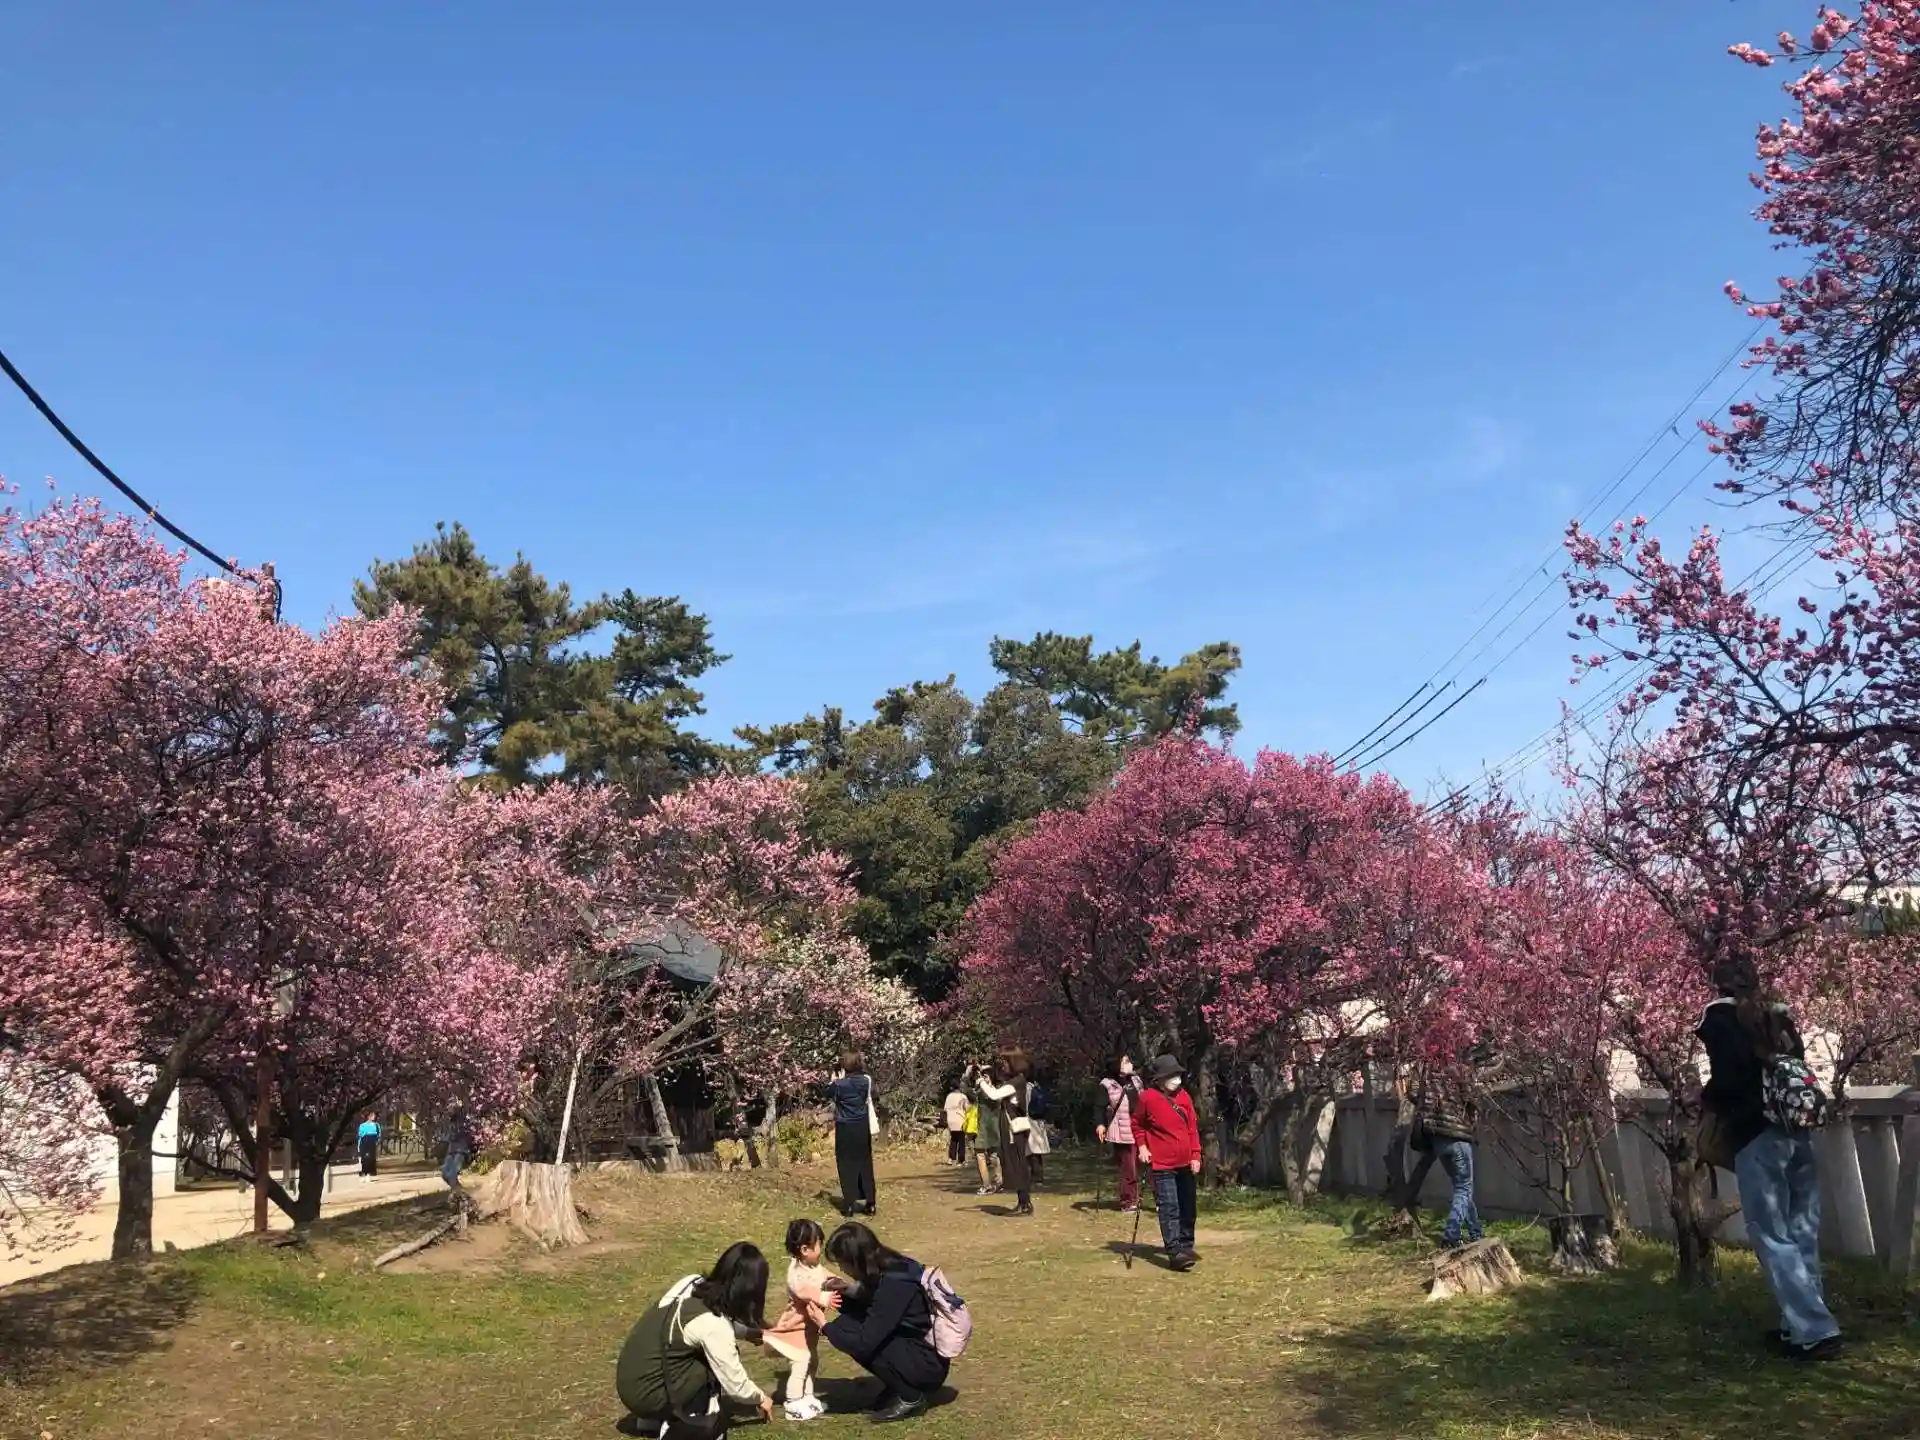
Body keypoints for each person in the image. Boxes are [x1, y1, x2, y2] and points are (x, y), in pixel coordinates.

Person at [1699, 955, 1842, 1361]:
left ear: (1720, 983)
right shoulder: (1776, 1013)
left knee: (1773, 1235)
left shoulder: (1720, 1019)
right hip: (1796, 1131)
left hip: (1756, 1135)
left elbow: (1730, 1080)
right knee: (1801, 1230)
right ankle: (1798, 1326)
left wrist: (1705, 1098)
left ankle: (1815, 1330)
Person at [616, 1241, 777, 1438]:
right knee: (710, 1363)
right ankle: (690, 1419)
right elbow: (736, 1385)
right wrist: (761, 1398)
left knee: (683, 1352)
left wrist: (746, 1333)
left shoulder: (691, 1283)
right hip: (647, 1396)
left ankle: (649, 1421)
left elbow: (700, 1327)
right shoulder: (714, 1326)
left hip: (633, 1376)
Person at [824, 1221, 949, 1423]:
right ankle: (897, 1386)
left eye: (842, 1263)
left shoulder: (895, 1283)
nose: (841, 1268)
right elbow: (872, 1308)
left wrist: (824, 1327)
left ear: (855, 1259)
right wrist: (844, 1292)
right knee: (848, 1325)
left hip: (927, 1364)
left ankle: (911, 1398)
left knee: (849, 1332)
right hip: (915, 1347)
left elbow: (866, 1341)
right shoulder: (891, 1265)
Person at [763, 1219, 840, 1420]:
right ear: (805, 1249)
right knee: (801, 1360)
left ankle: (807, 1396)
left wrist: (836, 1282)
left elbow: (823, 1274)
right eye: (818, 1245)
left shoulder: (813, 1265)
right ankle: (793, 1402)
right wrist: (824, 1297)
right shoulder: (795, 1271)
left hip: (809, 1329)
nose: (820, 1249)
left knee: (812, 1360)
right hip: (794, 1327)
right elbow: (802, 1290)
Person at [1132, 1053, 1200, 1270]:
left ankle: (1186, 1245)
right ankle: (1174, 1252)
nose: (1176, 1080)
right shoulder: (1147, 1098)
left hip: (1185, 1162)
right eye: (1172, 1076)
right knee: (1169, 1207)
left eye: (1178, 1075)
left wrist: (1196, 1155)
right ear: (1160, 1079)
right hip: (1162, 1164)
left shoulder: (1184, 1097)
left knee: (1188, 1207)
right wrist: (1142, 1147)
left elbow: (1192, 1128)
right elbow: (1137, 1124)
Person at [1416, 1052, 1483, 1250]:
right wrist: (1473, 1122)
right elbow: (1472, 1100)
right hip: (1458, 1136)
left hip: (1438, 1139)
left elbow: (1413, 1094)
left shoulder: (1426, 1069)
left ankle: (1476, 1233)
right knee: (1464, 1188)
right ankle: (1451, 1235)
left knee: (1461, 1188)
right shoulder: (1459, 1069)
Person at [973, 1051, 1033, 1216]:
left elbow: (994, 1095)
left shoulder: (1016, 1082)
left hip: (1014, 1130)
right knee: (1017, 1165)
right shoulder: (1017, 1081)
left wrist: (981, 1082)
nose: (1003, 1066)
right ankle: (1023, 1203)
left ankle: (1024, 1204)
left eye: (1006, 1062)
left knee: (1018, 1165)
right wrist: (988, 1083)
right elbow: (999, 1096)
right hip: (1014, 1129)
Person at [828, 1051, 878, 1218]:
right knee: (865, 1164)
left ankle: (849, 1204)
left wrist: (835, 1079)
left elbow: (827, 1093)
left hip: (845, 1127)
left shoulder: (839, 1084)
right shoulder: (866, 1080)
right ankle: (871, 1203)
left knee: (846, 1165)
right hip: (862, 1127)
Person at [1098, 1054, 1143, 1213]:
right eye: (1125, 1062)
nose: (1130, 1064)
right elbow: (1099, 1107)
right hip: (1121, 1131)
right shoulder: (1107, 1084)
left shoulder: (1136, 1080)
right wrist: (1100, 1125)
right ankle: (1128, 1201)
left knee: (1142, 1165)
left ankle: (1140, 1197)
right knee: (1128, 1167)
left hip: (1139, 1128)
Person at [967, 1064, 1002, 1196]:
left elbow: (966, 1090)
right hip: (991, 1128)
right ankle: (997, 1182)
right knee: (991, 1156)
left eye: (985, 1076)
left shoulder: (984, 1093)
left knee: (982, 1156)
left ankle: (988, 1185)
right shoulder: (996, 1091)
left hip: (984, 1128)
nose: (982, 1079)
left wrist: (970, 1076)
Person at [1023, 1076, 1051, 1185]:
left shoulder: (1026, 1088)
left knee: (1031, 1151)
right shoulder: (1036, 1087)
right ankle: (1038, 1176)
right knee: (1036, 1152)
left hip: (1029, 1120)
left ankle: (1036, 1177)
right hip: (1037, 1120)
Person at [442, 1108, 474, 1190]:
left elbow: (467, 1137)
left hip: (461, 1151)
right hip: (451, 1151)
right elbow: (447, 1138)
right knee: (444, 1174)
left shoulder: (464, 1127)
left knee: (452, 1174)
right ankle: (459, 1189)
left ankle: (457, 1191)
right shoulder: (450, 1127)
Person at [941, 1082, 969, 1167]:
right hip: (960, 1120)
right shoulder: (963, 1096)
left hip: (950, 1121)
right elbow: (967, 1108)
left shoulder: (949, 1096)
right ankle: (961, 1160)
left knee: (953, 1140)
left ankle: (951, 1158)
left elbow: (945, 1109)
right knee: (961, 1141)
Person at [356, 1112, 381, 1182]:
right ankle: (363, 1174)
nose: (374, 1117)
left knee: (371, 1159)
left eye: (374, 1116)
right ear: (368, 1117)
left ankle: (368, 1174)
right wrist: (358, 1146)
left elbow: (379, 1135)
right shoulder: (362, 1125)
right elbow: (359, 1136)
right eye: (372, 1116)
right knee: (364, 1159)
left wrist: (377, 1142)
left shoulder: (376, 1125)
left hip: (372, 1143)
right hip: (364, 1143)